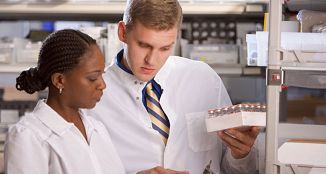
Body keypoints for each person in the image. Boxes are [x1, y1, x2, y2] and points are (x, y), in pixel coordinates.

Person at [88, 0, 260, 173]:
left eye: (165, 48)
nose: (151, 60)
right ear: (122, 32)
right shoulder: (92, 98)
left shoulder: (203, 78)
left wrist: (241, 154)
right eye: (144, 45)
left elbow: (229, 168)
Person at [4, 29, 125, 174]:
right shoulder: (28, 136)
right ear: (59, 80)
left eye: (102, 75)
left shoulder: (97, 129)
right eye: (93, 78)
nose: (103, 85)